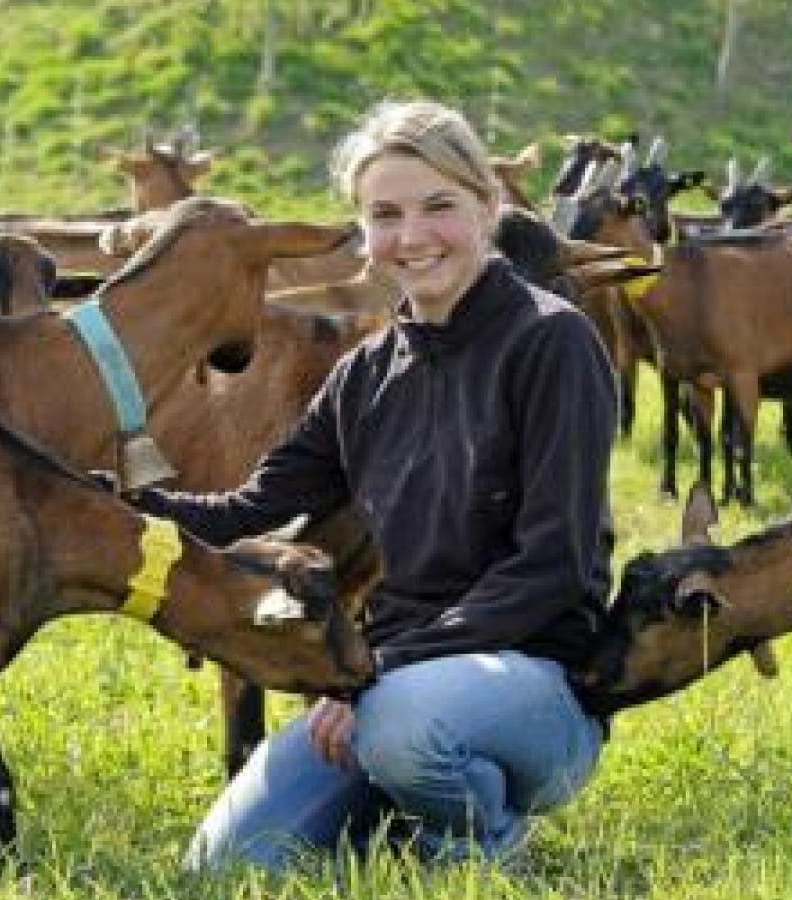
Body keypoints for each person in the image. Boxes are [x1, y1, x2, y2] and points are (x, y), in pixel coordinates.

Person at [123, 99, 617, 873]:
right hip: (391, 685)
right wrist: (119, 508)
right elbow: (255, 507)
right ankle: (400, 813)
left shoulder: (552, 341)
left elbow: (553, 566)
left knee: (404, 735)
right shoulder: (368, 372)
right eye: (385, 215)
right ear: (364, 235)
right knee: (224, 866)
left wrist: (379, 674)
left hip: (535, 683)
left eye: (438, 207)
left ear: (489, 207)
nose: (412, 237)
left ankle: (484, 842)